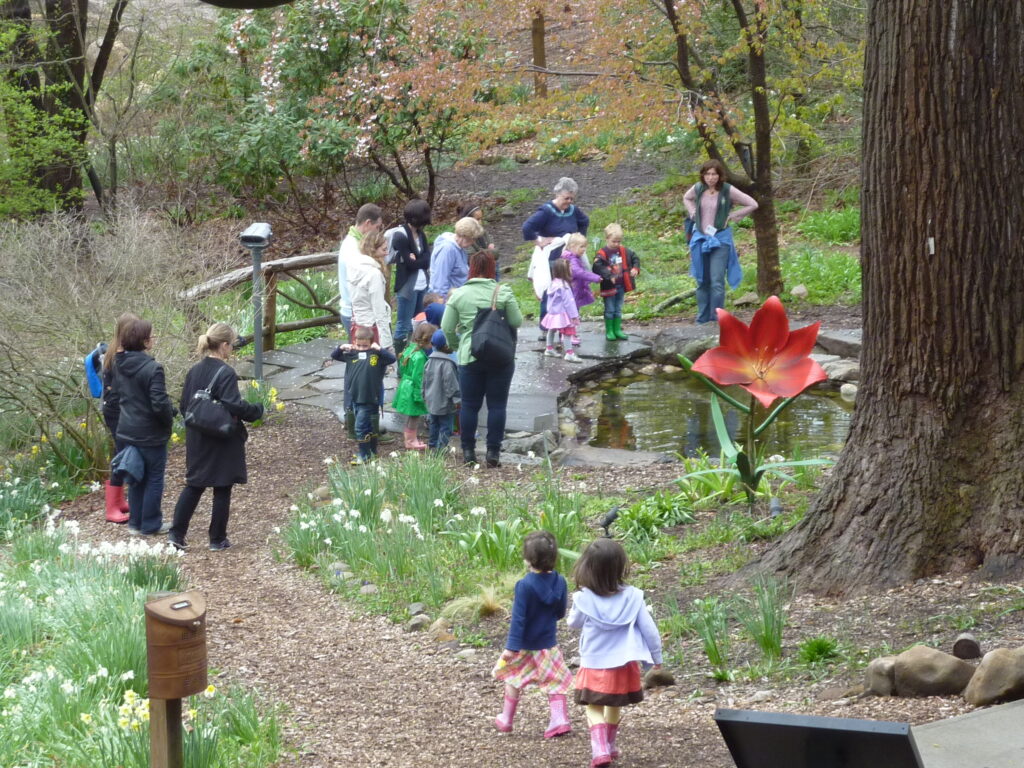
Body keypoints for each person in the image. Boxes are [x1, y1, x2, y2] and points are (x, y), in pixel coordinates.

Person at [567, 538, 663, 767]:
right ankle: (610, 744)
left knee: (593, 706)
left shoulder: (583, 598)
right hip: (624, 662)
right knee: (614, 704)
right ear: (620, 567)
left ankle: (599, 749)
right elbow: (649, 629)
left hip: (594, 661)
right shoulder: (633, 596)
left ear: (586, 568)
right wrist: (656, 659)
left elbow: (573, 623)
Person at [169, 323, 264, 552]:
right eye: (231, 345)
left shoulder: (195, 370)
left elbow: (185, 405)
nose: (232, 349)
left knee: (194, 485)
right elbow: (233, 404)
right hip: (221, 437)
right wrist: (255, 410)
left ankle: (176, 534)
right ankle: (217, 538)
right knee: (222, 486)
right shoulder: (225, 372)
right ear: (223, 345)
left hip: (197, 436)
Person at [440, 251, 522, 467]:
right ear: (492, 268)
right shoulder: (502, 291)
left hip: (470, 355)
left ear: (471, 269)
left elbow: (446, 327)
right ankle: (493, 452)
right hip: (501, 355)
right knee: (497, 405)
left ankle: (468, 452)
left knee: (469, 405)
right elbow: (517, 320)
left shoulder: (459, 295)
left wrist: (457, 346)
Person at [493, 531, 574, 739]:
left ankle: (507, 718)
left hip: (525, 646)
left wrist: (511, 648)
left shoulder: (524, 585)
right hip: (548, 645)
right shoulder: (561, 582)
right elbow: (560, 613)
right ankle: (559, 719)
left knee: (513, 677)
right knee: (555, 680)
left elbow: (518, 620)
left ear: (528, 559)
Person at [110, 316, 175, 535]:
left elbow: (122, 397)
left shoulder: (118, 364)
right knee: (154, 479)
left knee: (136, 477)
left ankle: (135, 524)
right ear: (145, 342)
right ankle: (151, 524)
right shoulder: (153, 368)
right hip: (150, 433)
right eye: (151, 336)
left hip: (127, 431)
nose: (153, 339)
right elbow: (159, 403)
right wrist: (169, 421)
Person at [683, 159, 758, 324]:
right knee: (702, 280)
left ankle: (717, 319)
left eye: (714, 174)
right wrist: (693, 212)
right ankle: (702, 319)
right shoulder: (698, 188)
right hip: (700, 239)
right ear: (703, 175)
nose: (711, 177)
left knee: (716, 281)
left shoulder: (727, 190)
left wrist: (733, 216)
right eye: (708, 174)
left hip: (720, 240)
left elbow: (752, 204)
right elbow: (687, 198)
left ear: (719, 175)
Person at [522, 178, 590, 335]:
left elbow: (584, 221)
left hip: (570, 259)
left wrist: (578, 239)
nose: (569, 201)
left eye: (572, 198)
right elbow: (528, 227)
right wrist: (539, 241)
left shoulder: (573, 210)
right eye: (566, 198)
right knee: (551, 293)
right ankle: (546, 329)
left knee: (569, 293)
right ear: (558, 194)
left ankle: (565, 328)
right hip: (552, 259)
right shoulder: (546, 211)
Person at [330, 326, 396, 464]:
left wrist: (379, 349)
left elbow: (391, 359)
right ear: (354, 342)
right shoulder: (351, 354)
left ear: (371, 343)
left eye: (365, 345)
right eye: (359, 345)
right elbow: (335, 355)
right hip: (355, 397)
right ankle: (371, 452)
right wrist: (342, 346)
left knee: (360, 427)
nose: (361, 348)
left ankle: (364, 455)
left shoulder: (376, 356)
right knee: (369, 426)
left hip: (370, 398)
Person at [100, 312, 139, 524]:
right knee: (122, 454)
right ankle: (112, 507)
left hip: (119, 410)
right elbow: (115, 393)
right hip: (116, 412)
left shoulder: (120, 352)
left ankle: (119, 499)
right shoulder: (116, 356)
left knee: (121, 451)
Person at [390, 199, 432, 357]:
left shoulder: (421, 234)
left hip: (422, 284)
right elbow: (409, 264)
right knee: (404, 324)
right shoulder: (401, 236)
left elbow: (427, 259)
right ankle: (401, 359)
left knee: (419, 322)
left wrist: (417, 260)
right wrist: (417, 261)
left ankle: (416, 357)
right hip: (408, 286)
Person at [338, 203, 383, 337]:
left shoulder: (356, 243)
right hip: (356, 313)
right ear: (368, 223)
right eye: (377, 227)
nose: (378, 231)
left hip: (357, 311)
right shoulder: (353, 248)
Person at [593, 223, 641, 341]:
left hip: (621, 285)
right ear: (607, 239)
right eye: (614, 241)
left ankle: (617, 329)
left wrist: (635, 268)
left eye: (619, 241)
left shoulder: (624, 251)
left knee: (618, 308)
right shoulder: (602, 253)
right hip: (609, 286)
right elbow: (597, 267)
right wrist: (609, 275)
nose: (616, 244)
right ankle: (609, 330)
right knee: (610, 308)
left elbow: (635, 258)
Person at [392, 322, 436, 450]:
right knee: (414, 416)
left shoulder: (409, 349)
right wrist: (419, 396)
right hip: (413, 389)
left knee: (411, 415)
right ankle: (411, 441)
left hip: (405, 385)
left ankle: (410, 439)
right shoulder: (420, 356)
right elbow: (418, 378)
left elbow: (402, 368)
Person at [421, 329, 460, 453]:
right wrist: (457, 399)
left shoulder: (428, 361)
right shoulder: (448, 364)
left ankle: (432, 445)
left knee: (434, 424)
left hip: (431, 401)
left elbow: (424, 381)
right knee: (446, 426)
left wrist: (424, 395)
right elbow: (451, 385)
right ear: (447, 346)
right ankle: (441, 448)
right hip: (445, 402)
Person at [429, 217, 484, 300]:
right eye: (472, 239)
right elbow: (440, 282)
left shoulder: (459, 248)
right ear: (464, 236)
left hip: (458, 298)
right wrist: (443, 305)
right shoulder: (447, 250)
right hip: (448, 301)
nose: (473, 242)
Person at [562, 233, 601, 343]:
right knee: (572, 312)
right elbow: (578, 272)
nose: (584, 249)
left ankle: (570, 333)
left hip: (574, 289)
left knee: (573, 311)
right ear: (572, 246)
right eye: (581, 247)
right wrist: (595, 277)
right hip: (572, 290)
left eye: (585, 246)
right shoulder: (572, 259)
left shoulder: (572, 257)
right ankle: (568, 334)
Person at [541, 259, 582, 363]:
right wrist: (574, 315)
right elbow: (569, 302)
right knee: (568, 332)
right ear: (565, 271)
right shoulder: (564, 286)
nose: (571, 270)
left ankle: (549, 348)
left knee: (552, 329)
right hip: (563, 313)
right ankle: (569, 353)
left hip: (553, 312)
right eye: (570, 268)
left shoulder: (553, 283)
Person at [457, 202, 497, 277]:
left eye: (481, 219)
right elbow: (471, 258)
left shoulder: (482, 231)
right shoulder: (464, 237)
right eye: (477, 219)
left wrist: (489, 247)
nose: (480, 222)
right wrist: (489, 252)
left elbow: (493, 246)